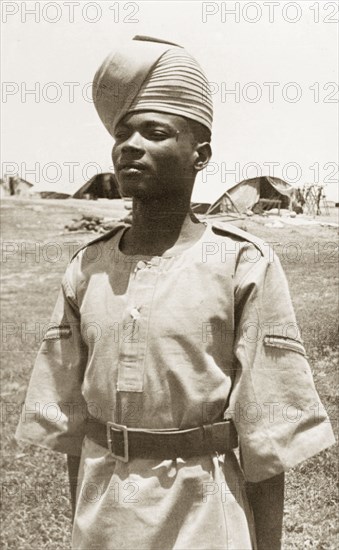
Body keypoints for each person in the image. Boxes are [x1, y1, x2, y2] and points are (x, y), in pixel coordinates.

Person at [16, 36, 335, 550]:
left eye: (155, 132)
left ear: (200, 155)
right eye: (123, 133)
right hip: (103, 519)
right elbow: (70, 422)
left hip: (202, 515)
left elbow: (266, 439)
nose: (130, 145)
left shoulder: (241, 264)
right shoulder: (87, 267)